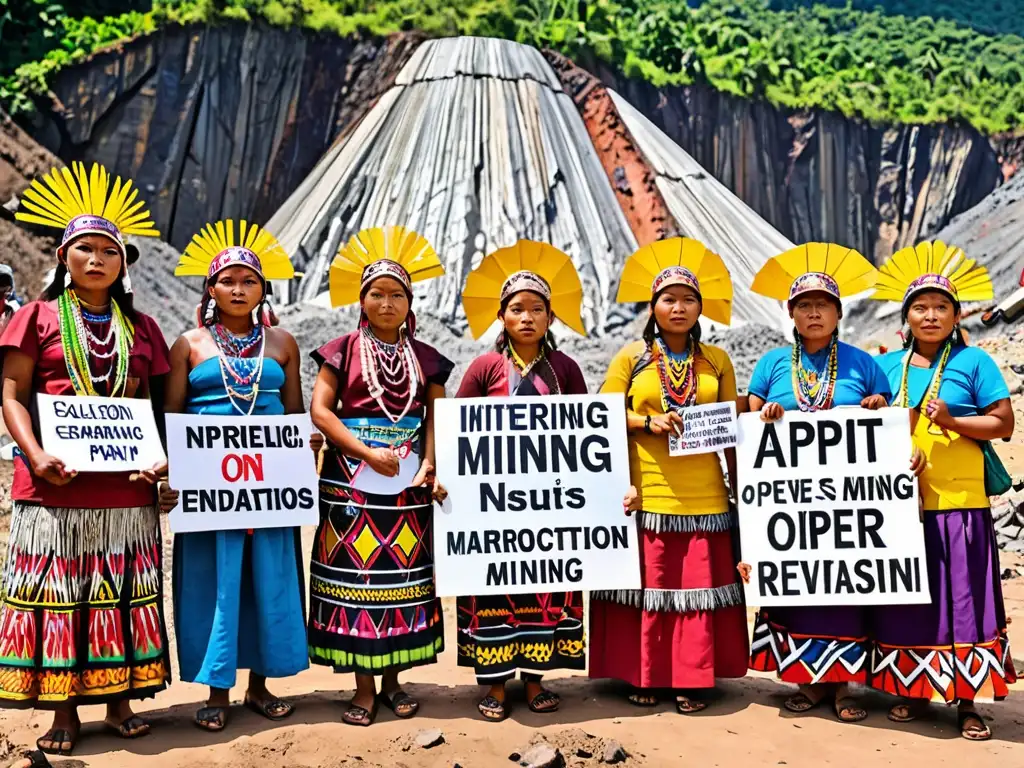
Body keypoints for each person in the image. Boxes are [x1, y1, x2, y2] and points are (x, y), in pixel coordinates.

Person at [0, 163, 170, 755]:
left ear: (124, 263)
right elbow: (12, 396)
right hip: (55, 490)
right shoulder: (36, 318)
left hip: (124, 492)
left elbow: (149, 406)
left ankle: (120, 702)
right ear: (62, 256)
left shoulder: (142, 327)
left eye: (109, 251)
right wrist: (37, 454)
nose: (97, 259)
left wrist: (158, 465)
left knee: (120, 596)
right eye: (85, 249)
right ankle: (64, 712)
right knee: (62, 597)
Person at [157, 221, 315, 731]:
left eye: (250, 281)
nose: (240, 289)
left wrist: (304, 443)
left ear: (263, 289)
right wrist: (172, 471)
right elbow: (173, 417)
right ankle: (217, 688)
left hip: (269, 484)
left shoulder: (283, 343)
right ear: (212, 289)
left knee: (267, 575)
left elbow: (293, 413)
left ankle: (260, 686)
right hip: (212, 485)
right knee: (217, 579)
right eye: (229, 280)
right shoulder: (189, 345)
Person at [589, 238, 749, 714]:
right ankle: (646, 676)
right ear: (653, 306)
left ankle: (692, 678)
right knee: (650, 586)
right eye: (668, 298)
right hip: (646, 490)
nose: (678, 307)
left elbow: (730, 428)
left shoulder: (717, 361)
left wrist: (741, 486)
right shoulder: (629, 358)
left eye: (688, 299)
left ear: (701, 308)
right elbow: (599, 415)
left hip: (705, 495)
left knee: (697, 588)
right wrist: (645, 422)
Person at [740, 243, 893, 723]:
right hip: (793, 503)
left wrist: (874, 408)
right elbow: (749, 416)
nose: (813, 313)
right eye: (804, 305)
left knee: (845, 591)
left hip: (845, 504)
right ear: (790, 313)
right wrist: (764, 414)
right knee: (800, 591)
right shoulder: (770, 364)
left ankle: (845, 686)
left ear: (838, 312)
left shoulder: (863, 361)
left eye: (822, 305)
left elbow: (887, 415)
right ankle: (807, 681)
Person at [870, 241, 1016, 740]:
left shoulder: (976, 363)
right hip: (900, 505)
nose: (930, 316)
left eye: (940, 308)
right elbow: (871, 429)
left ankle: (967, 703)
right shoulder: (887, 369)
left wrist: (954, 419)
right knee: (910, 599)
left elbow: (1003, 424)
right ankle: (910, 691)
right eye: (920, 307)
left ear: (956, 316)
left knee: (964, 601)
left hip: (960, 502)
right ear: (905, 317)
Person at [307, 226, 451, 726]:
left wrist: (429, 462)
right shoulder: (340, 350)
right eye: (376, 294)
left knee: (403, 579)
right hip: (350, 480)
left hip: (408, 483)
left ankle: (394, 682)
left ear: (409, 304)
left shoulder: (427, 359)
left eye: (396, 295)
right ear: (362, 300)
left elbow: (437, 417)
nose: (386, 303)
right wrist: (367, 453)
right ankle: (364, 688)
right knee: (357, 581)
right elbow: (322, 412)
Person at [452, 240, 590, 721]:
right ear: (502, 317)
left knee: (544, 587)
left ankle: (533, 680)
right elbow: (458, 430)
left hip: (550, 501)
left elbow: (585, 432)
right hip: (494, 505)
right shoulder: (485, 368)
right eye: (517, 309)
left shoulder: (566, 369)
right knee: (495, 588)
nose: (527, 317)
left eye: (537, 309)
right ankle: (493, 684)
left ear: (551, 318)